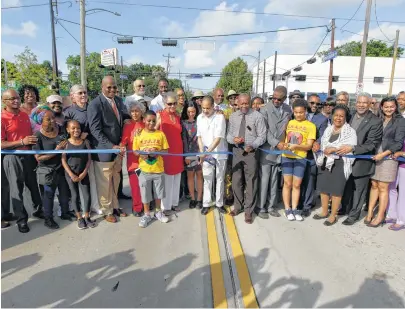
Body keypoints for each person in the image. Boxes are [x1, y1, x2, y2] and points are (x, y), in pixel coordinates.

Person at [1, 89, 43, 233]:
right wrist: (21, 141)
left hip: (29, 155)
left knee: (33, 185)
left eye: (18, 98)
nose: (16, 101)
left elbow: (33, 132)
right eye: (12, 99)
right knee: (16, 189)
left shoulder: (24, 115)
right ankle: (21, 220)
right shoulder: (2, 118)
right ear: (4, 101)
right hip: (12, 157)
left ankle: (38, 210)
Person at [88, 76, 128, 223]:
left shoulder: (118, 101)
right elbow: (95, 130)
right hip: (104, 151)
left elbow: (122, 119)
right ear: (102, 87)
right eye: (108, 87)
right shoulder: (95, 104)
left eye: (114, 87)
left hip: (118, 150)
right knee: (104, 183)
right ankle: (107, 210)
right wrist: (111, 146)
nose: (112, 90)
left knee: (115, 180)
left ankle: (115, 206)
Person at [340, 93, 383, 225]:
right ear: (355, 103)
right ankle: (345, 209)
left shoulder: (375, 121)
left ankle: (354, 215)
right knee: (347, 187)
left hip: (362, 162)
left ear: (370, 104)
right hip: (346, 160)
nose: (361, 105)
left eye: (364, 103)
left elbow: (371, 144)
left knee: (359, 190)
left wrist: (352, 149)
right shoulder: (350, 116)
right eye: (359, 102)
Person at [365, 97, 405, 227]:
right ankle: (370, 212)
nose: (389, 109)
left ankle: (380, 216)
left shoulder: (400, 121)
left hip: (388, 157)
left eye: (391, 106)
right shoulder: (378, 118)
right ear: (381, 107)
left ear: (396, 107)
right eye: (386, 106)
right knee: (374, 184)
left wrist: (383, 154)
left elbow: (398, 143)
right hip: (375, 155)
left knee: (383, 187)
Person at [314, 105, 357, 226]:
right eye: (336, 115)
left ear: (345, 118)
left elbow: (348, 148)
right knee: (323, 188)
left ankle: (333, 215)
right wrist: (319, 146)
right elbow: (323, 143)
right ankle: (324, 211)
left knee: (336, 190)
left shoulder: (350, 132)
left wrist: (334, 149)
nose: (338, 118)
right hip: (325, 161)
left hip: (340, 163)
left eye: (341, 116)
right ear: (332, 116)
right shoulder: (328, 129)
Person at [227, 94, 267, 223]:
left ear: (249, 103)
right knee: (236, 180)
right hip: (237, 151)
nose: (244, 106)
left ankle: (248, 210)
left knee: (251, 182)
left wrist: (253, 145)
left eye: (246, 103)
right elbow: (228, 135)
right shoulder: (233, 117)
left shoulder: (257, 116)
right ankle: (238, 207)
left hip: (251, 153)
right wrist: (234, 139)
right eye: (241, 104)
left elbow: (262, 136)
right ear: (237, 103)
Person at [64, 84, 101, 215]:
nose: (83, 95)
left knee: (91, 179)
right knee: (75, 184)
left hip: (92, 149)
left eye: (85, 92)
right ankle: (76, 209)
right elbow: (65, 133)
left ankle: (93, 206)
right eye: (80, 93)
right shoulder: (68, 112)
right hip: (75, 154)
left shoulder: (93, 108)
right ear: (72, 96)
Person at [32, 110, 71, 229]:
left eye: (53, 118)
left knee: (64, 194)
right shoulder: (37, 136)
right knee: (48, 196)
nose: (52, 121)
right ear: (40, 121)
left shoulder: (60, 130)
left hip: (62, 168)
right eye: (48, 119)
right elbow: (39, 158)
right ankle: (48, 219)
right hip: (47, 171)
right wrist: (56, 151)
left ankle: (65, 213)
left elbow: (68, 141)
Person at [258, 86, 292, 219]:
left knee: (274, 179)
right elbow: (264, 131)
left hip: (281, 150)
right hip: (268, 149)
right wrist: (276, 143)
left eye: (279, 99)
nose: (276, 101)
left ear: (284, 98)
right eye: (274, 98)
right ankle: (261, 207)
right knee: (264, 179)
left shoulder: (288, 110)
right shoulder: (264, 109)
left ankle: (271, 206)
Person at [281, 99, 316, 221]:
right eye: (296, 112)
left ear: (306, 111)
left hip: (300, 158)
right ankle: (287, 208)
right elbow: (283, 139)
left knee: (296, 185)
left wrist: (297, 146)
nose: (298, 115)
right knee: (287, 184)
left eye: (301, 112)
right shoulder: (289, 123)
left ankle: (295, 209)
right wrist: (284, 145)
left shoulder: (311, 126)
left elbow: (309, 146)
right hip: (286, 157)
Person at [133, 110, 170, 227]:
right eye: (149, 120)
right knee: (145, 193)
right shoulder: (139, 134)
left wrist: (157, 152)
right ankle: (147, 214)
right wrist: (141, 154)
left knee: (159, 193)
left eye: (154, 121)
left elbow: (166, 151)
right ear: (144, 120)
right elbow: (135, 151)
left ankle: (158, 212)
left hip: (158, 169)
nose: (151, 123)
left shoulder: (160, 134)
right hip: (144, 170)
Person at [61, 120, 96, 229]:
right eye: (73, 128)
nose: (76, 130)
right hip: (70, 174)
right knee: (75, 195)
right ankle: (79, 218)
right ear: (68, 130)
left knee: (86, 195)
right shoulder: (66, 143)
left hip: (83, 173)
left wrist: (84, 172)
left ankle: (87, 216)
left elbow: (89, 158)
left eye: (78, 128)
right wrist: (71, 174)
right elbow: (63, 160)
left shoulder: (85, 142)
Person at [197, 96, 228, 215]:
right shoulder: (199, 118)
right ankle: (206, 203)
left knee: (220, 179)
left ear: (213, 107)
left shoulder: (220, 117)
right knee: (207, 179)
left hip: (219, 153)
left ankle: (219, 203)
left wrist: (206, 153)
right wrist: (201, 152)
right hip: (206, 154)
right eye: (203, 108)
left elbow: (218, 138)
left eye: (208, 108)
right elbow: (199, 137)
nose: (205, 111)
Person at [155, 92, 184, 215]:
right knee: (167, 180)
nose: (172, 106)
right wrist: (157, 123)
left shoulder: (177, 116)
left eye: (174, 103)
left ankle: (174, 203)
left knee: (176, 179)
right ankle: (165, 207)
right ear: (164, 104)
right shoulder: (159, 114)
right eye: (169, 103)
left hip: (178, 151)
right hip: (166, 152)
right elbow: (154, 131)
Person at [301, 94, 328, 217]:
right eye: (312, 103)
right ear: (307, 102)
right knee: (297, 181)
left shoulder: (322, 119)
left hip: (311, 155)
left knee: (309, 180)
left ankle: (306, 206)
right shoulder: (299, 114)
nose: (315, 106)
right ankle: (296, 203)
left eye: (317, 104)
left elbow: (322, 136)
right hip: (297, 153)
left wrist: (317, 143)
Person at [120, 99, 146, 217]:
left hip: (145, 161)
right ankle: (137, 206)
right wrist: (121, 146)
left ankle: (146, 204)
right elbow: (124, 140)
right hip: (133, 162)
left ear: (142, 112)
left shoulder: (146, 124)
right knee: (135, 186)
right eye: (132, 111)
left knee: (144, 185)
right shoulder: (128, 125)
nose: (135, 113)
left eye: (137, 111)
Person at [181, 101, 203, 209]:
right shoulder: (184, 123)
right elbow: (184, 140)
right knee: (190, 176)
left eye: (193, 111)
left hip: (199, 152)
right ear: (186, 111)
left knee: (199, 175)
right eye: (189, 112)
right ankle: (193, 198)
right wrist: (186, 155)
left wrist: (202, 153)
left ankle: (199, 199)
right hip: (189, 152)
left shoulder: (200, 121)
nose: (191, 114)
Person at [387, 150, 405, 230]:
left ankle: (401, 220)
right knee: (391, 188)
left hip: (403, 165)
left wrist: (401, 153)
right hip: (395, 163)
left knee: (402, 192)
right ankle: (392, 214)